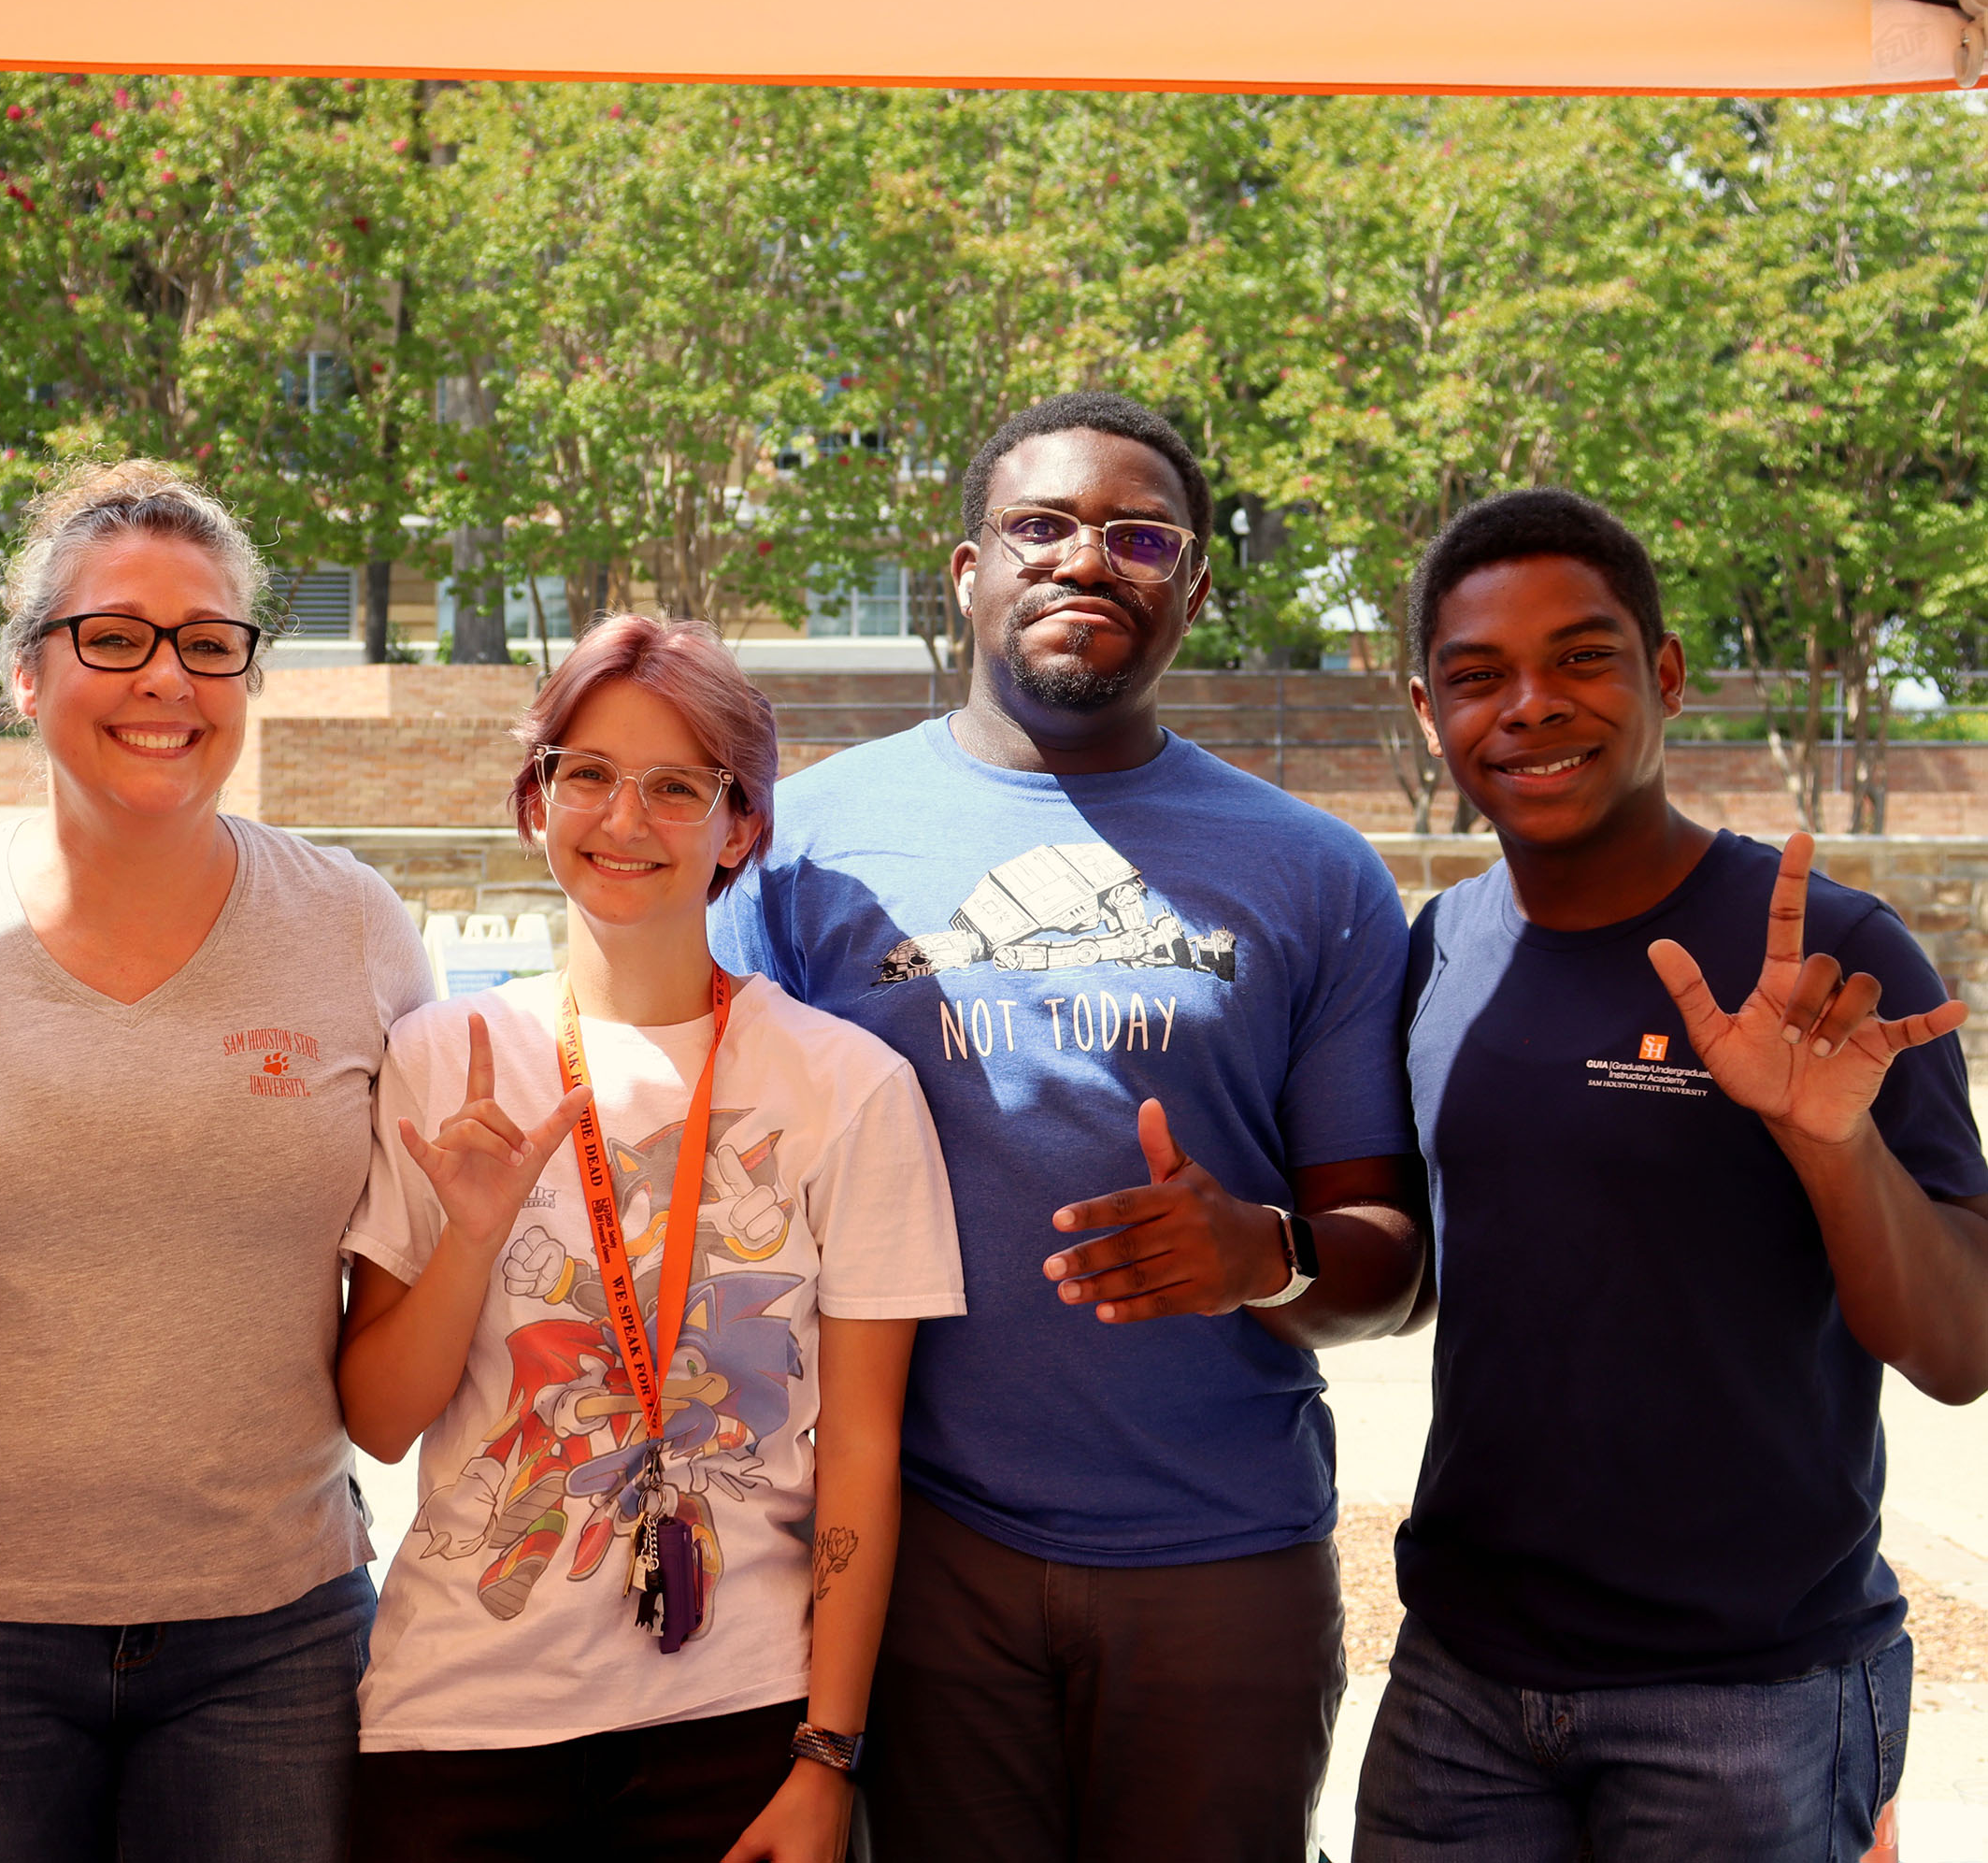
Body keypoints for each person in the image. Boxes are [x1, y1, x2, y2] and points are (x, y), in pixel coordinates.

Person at [711, 392, 1432, 1859]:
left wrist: (1263, 1256)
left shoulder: (1316, 873)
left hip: (1220, 1555)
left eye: (1139, 536)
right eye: (1038, 526)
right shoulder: (803, 845)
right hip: (914, 1545)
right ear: (968, 570)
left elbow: (1394, 1264)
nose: (1084, 560)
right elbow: (716, 1191)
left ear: (1196, 589)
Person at [0, 460, 430, 1863]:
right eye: (114, 636)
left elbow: (409, 1253)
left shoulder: (354, 930)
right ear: (25, 674)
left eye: (210, 643)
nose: (167, 680)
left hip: (269, 1625)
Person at [1355, 488, 1987, 1858]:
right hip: (1460, 1675)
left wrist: (1831, 1145)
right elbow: (1416, 1274)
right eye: (1477, 675)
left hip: (1746, 1692)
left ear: (1667, 676)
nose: (1527, 704)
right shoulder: (1434, 950)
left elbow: (1956, 1347)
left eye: (1580, 656)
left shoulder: (1825, 951)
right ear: (1426, 712)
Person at [337, 613, 965, 1863]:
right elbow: (378, 1420)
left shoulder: (847, 1086)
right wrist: (469, 1238)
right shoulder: (444, 1060)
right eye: (588, 775)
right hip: (464, 1726)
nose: (624, 822)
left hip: (738, 1729)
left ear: (740, 824)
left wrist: (825, 1757)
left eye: (676, 787)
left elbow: (858, 1447)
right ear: (536, 801)